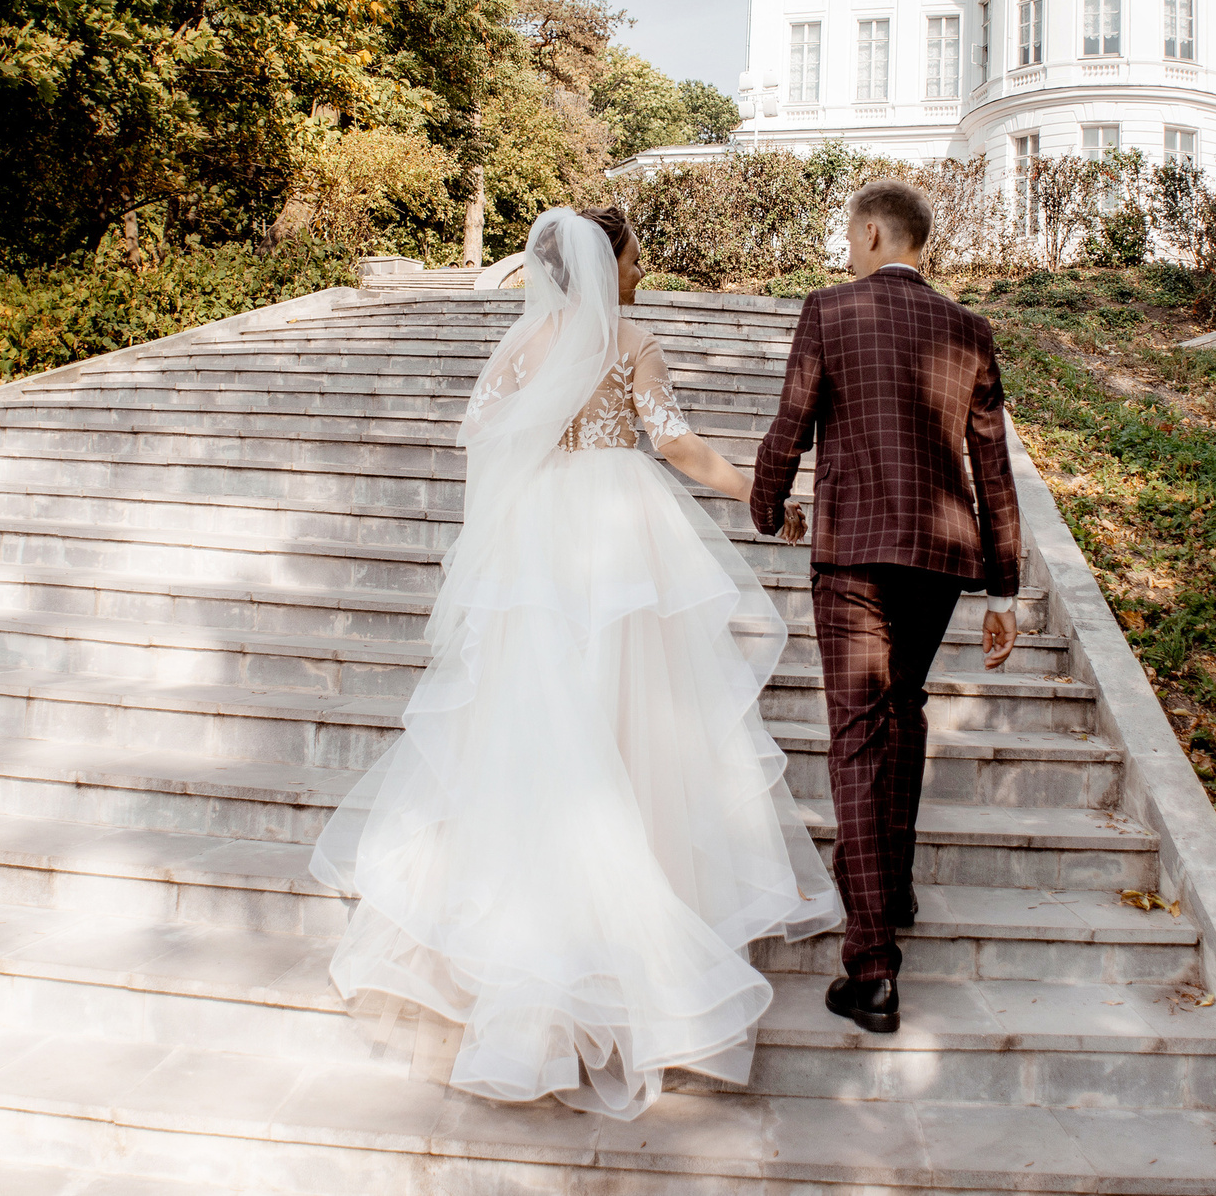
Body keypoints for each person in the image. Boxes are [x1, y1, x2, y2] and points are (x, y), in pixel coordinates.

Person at [312, 206, 840, 1120]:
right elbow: (675, 443)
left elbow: (483, 434)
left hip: (538, 540)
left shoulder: (522, 346)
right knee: (632, 712)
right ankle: (635, 908)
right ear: (602, 264)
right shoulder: (630, 340)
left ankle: (529, 923)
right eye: (633, 256)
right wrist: (764, 497)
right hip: (619, 533)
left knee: (538, 716)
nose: (641, 270)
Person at [748, 179, 1023, 1037]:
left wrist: (766, 503)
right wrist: (1005, 586)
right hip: (941, 557)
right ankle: (891, 886)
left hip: (856, 554)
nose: (847, 246)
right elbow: (993, 463)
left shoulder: (829, 310)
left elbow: (791, 421)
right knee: (902, 708)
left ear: (871, 232)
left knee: (859, 734)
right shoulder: (969, 328)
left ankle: (871, 967)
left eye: (849, 232)